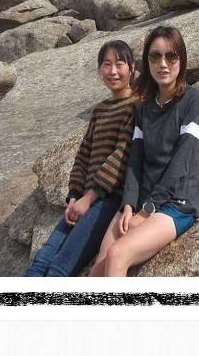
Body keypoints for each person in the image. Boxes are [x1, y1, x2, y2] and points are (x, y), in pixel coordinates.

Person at [90, 25, 199, 277]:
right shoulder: (145, 109)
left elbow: (184, 159)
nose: (163, 64)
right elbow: (135, 161)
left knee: (117, 255)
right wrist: (128, 206)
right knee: (97, 272)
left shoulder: (195, 101)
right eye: (155, 56)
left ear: (182, 60)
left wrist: (147, 210)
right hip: (141, 201)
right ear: (147, 61)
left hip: (177, 203)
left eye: (171, 56)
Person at [25, 40, 137, 277]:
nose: (113, 71)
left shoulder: (136, 106)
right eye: (106, 65)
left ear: (132, 68)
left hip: (107, 199)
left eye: (119, 64)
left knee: (59, 269)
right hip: (83, 199)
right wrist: (74, 195)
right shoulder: (100, 109)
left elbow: (122, 154)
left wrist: (89, 197)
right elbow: (84, 152)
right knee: (40, 262)